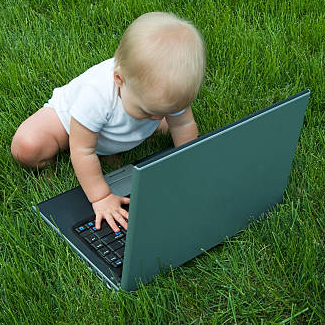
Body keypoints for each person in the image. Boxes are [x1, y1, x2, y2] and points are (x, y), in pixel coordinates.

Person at [11, 12, 206, 233]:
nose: (156, 117)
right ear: (119, 79)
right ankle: (51, 167)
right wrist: (101, 197)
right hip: (69, 125)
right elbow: (82, 150)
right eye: (149, 111)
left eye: (165, 112)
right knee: (27, 147)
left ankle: (111, 149)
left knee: (166, 126)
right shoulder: (96, 96)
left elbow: (183, 126)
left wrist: (190, 162)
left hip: (112, 129)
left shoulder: (167, 91)